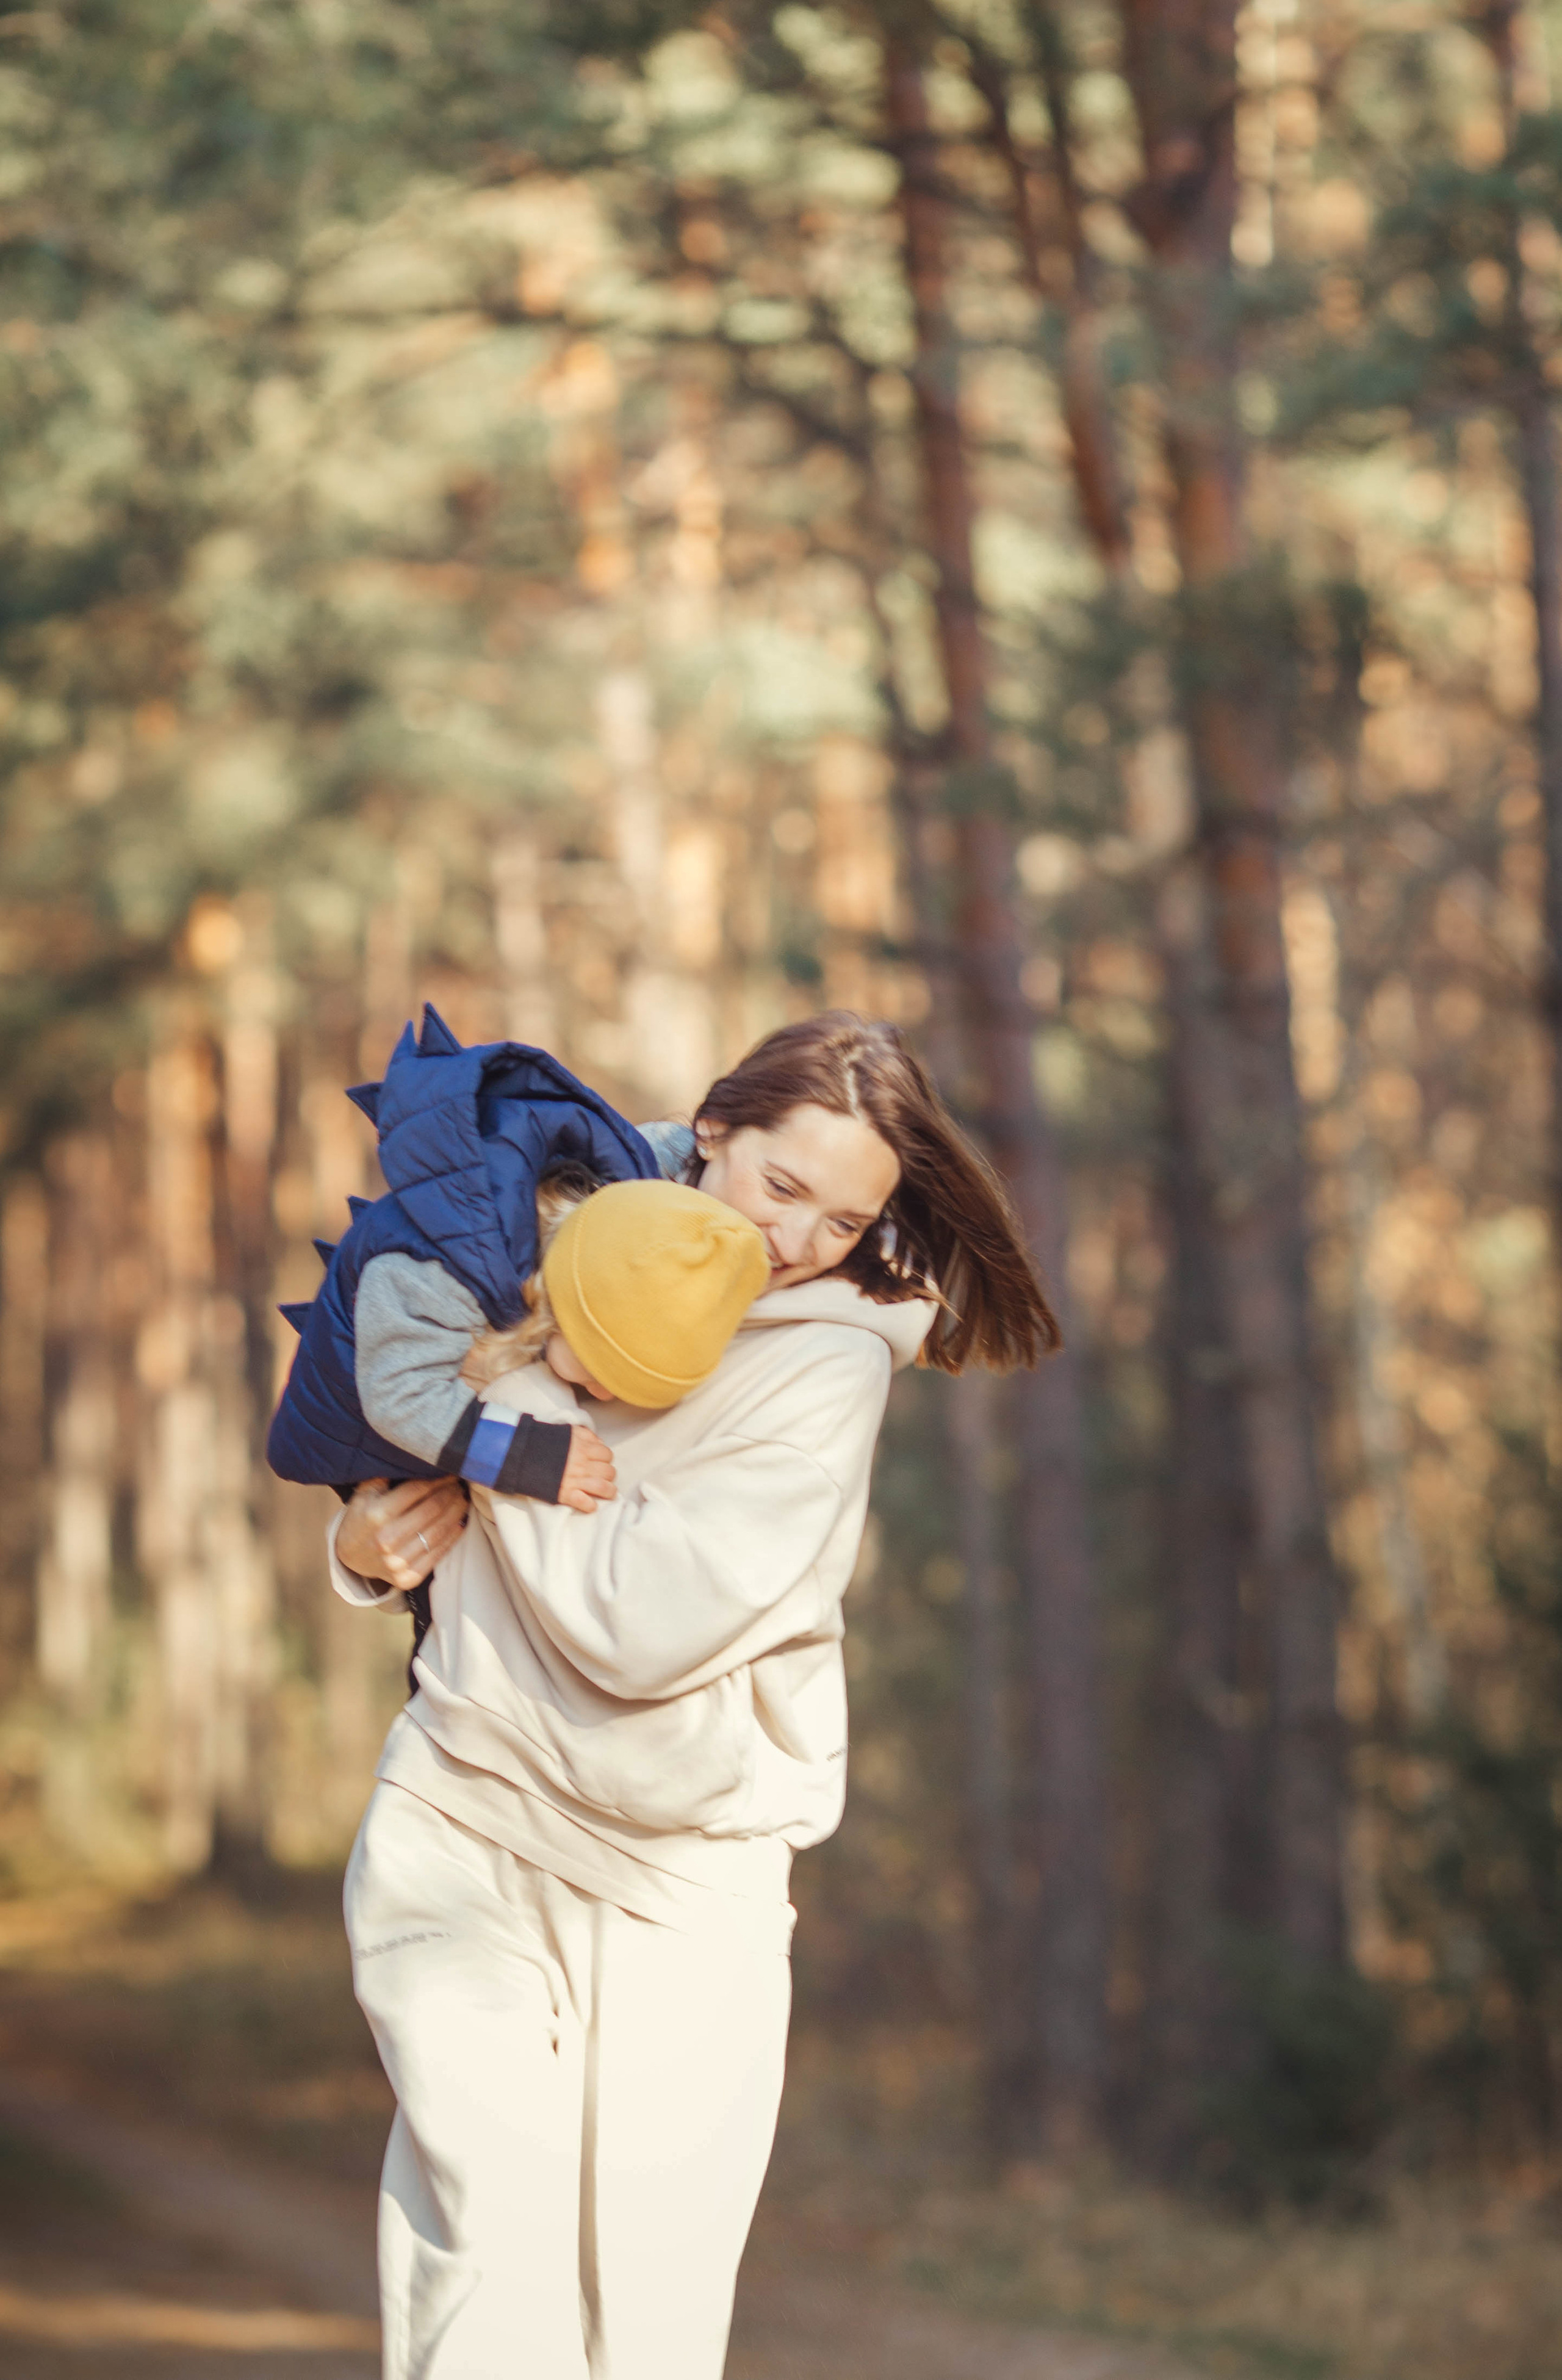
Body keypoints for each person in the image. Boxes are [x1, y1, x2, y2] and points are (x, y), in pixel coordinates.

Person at [331, 1012, 1060, 2380]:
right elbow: (393, 1448)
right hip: (466, 1828)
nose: (793, 1241)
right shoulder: (538, 1235)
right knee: (486, 2276)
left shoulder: (826, 1362)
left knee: (645, 2331)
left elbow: (641, 1626)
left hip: (682, 1882)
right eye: (779, 1187)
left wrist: (525, 1408)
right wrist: (360, 1550)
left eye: (840, 1223)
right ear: (710, 1131)